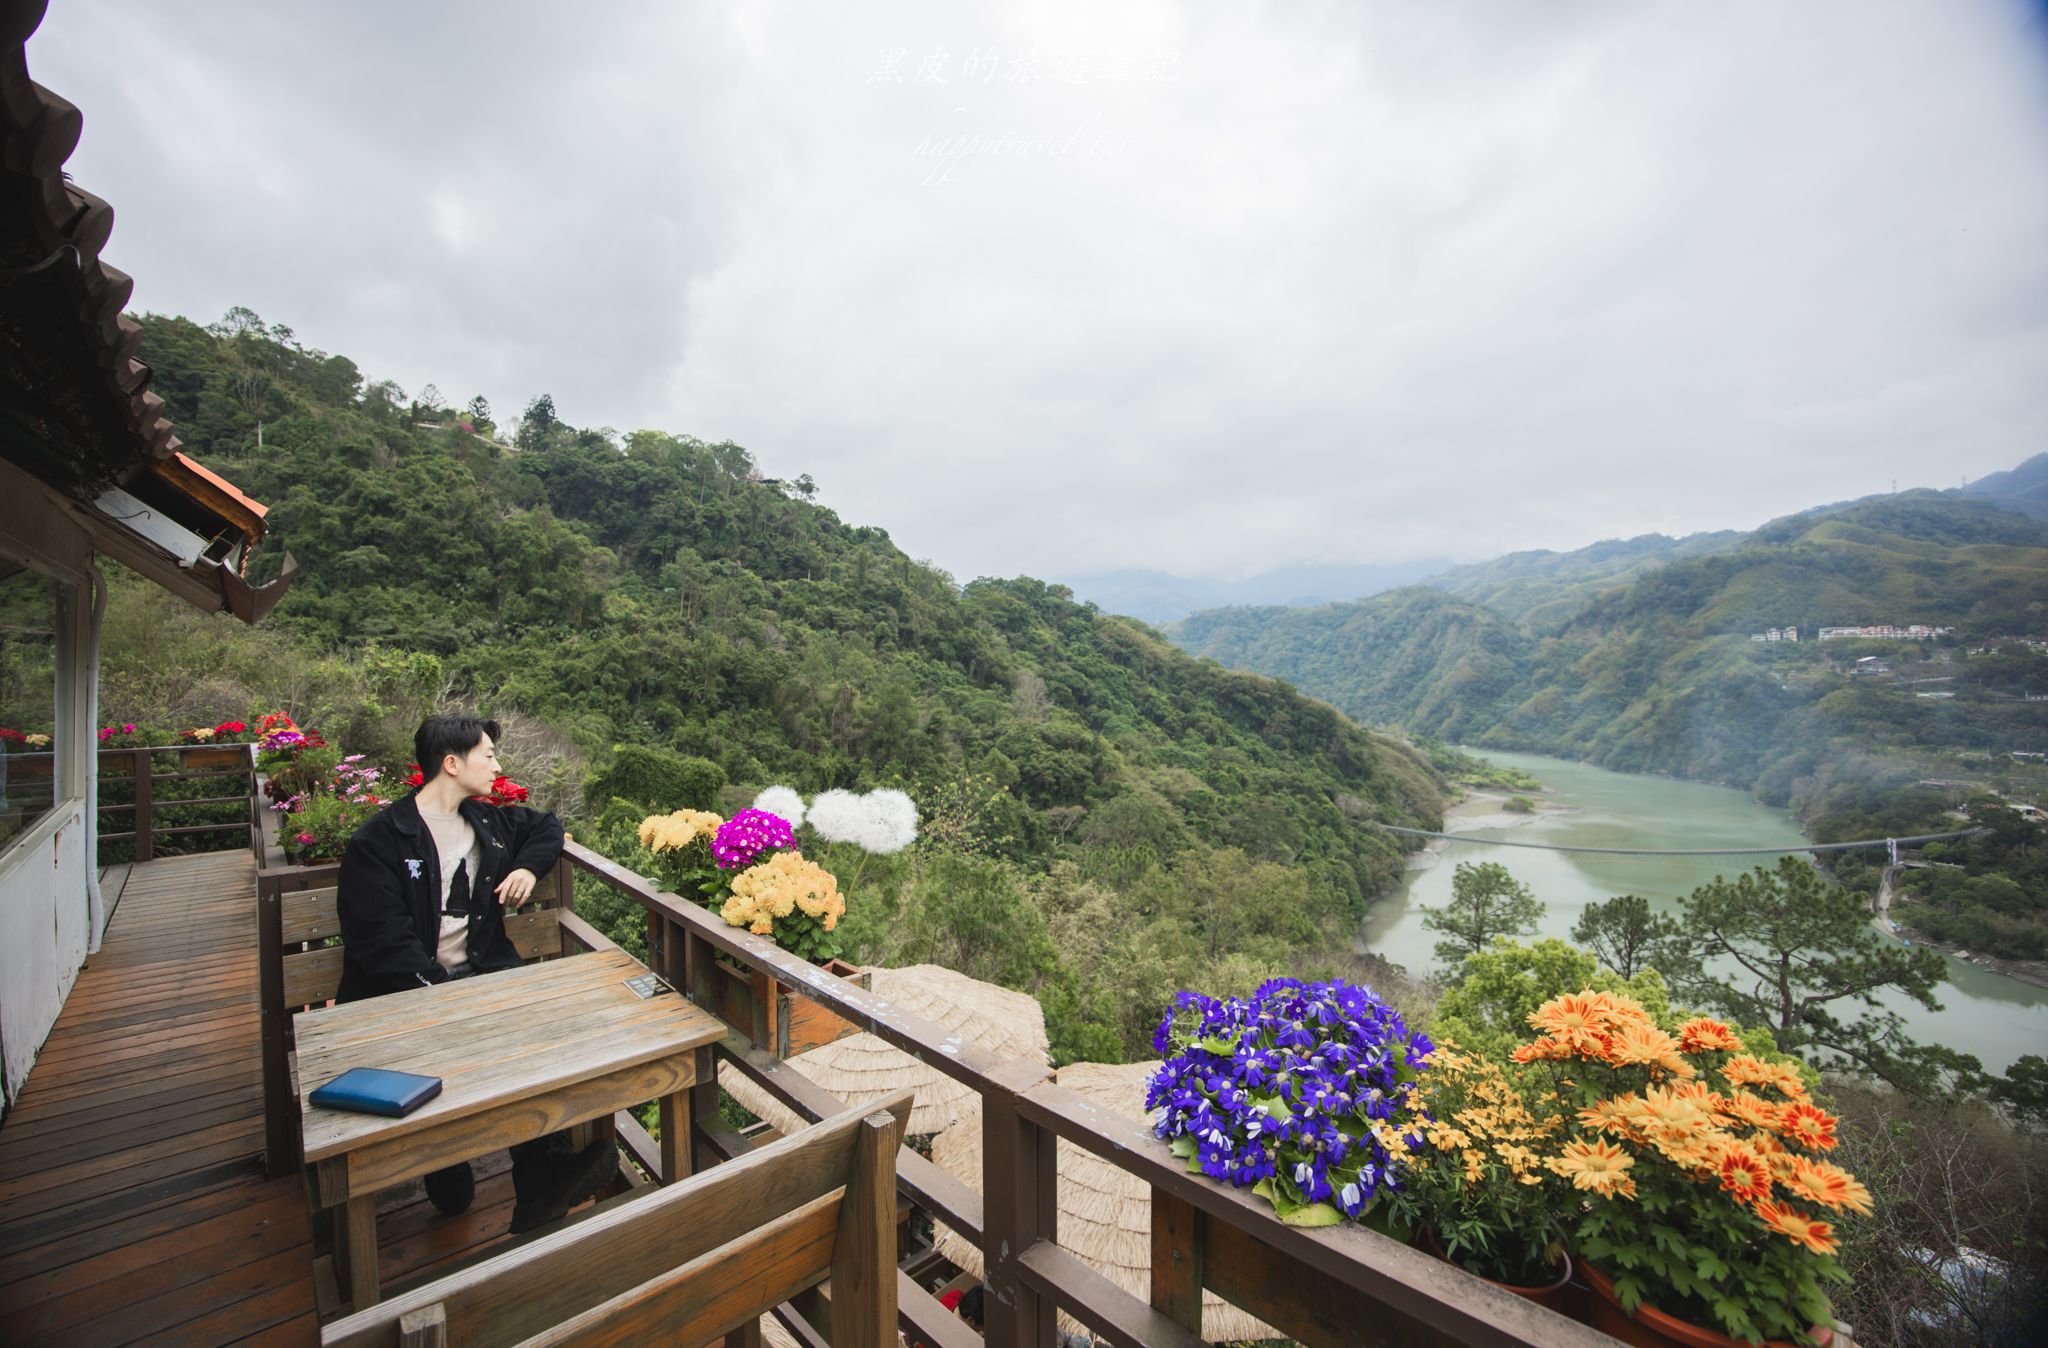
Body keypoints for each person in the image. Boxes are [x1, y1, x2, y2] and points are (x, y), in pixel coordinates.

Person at [335, 712, 616, 1233]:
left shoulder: (484, 821)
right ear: (451, 763)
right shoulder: (381, 841)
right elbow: (382, 948)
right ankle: (445, 1161)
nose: (497, 765)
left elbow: (548, 825)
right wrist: (451, 1001)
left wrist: (528, 868)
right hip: (403, 997)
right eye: (488, 755)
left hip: (483, 981)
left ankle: (539, 1178)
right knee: (473, 1038)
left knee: (545, 1032)